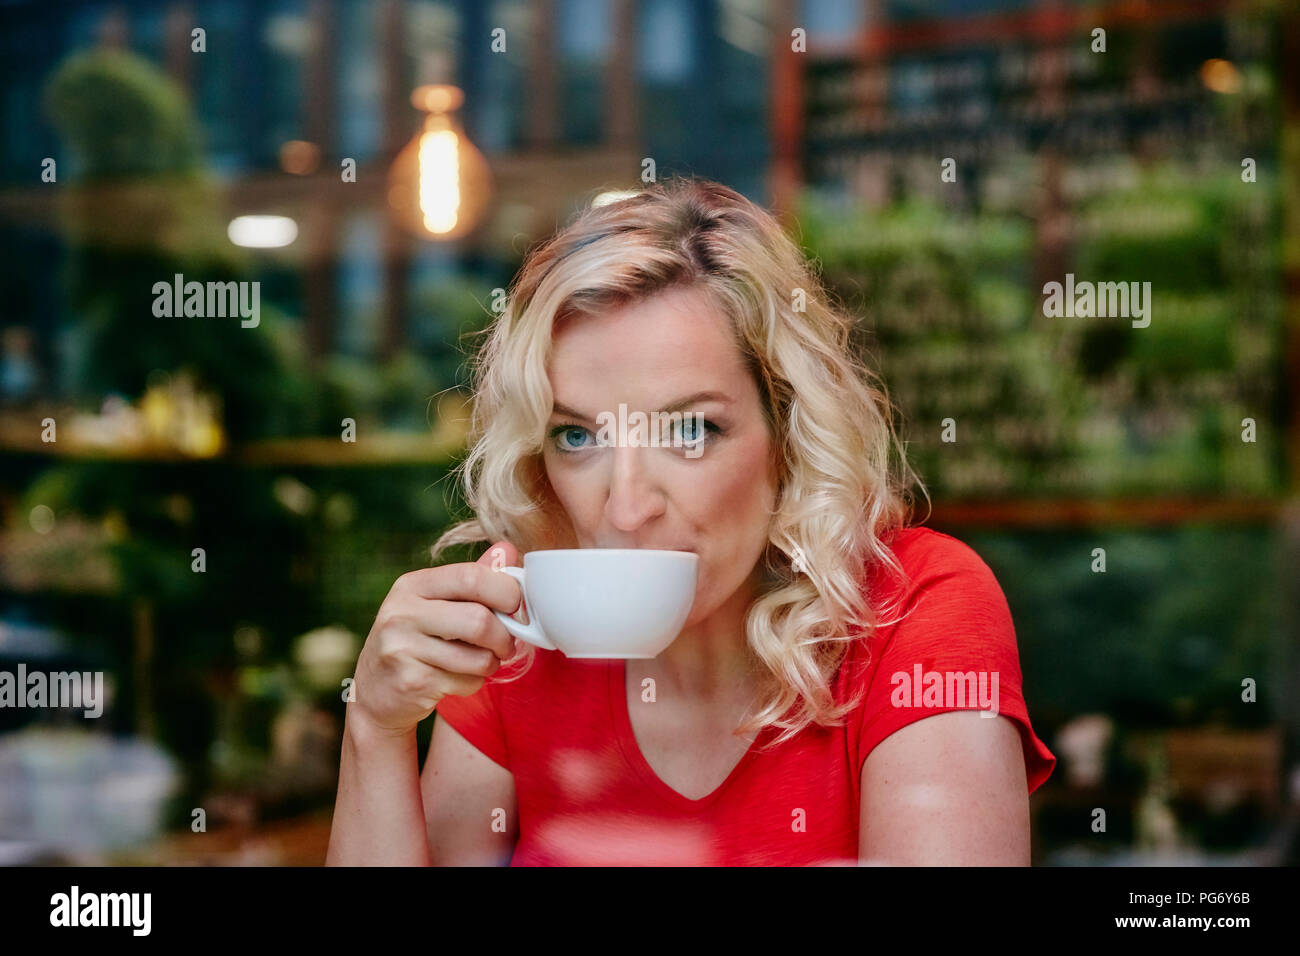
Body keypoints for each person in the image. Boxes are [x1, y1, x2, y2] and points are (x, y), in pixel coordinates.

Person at [326, 177, 1055, 866]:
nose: (626, 506)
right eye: (577, 436)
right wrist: (376, 729)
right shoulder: (520, 630)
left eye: (690, 431)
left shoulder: (915, 606)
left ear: (787, 435)